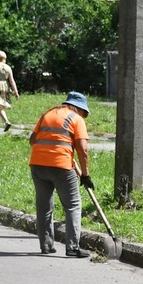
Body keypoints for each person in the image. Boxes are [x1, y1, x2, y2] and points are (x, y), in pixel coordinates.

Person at [29, 92, 93, 258]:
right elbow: (83, 148)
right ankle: (72, 247)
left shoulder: (47, 114)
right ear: (78, 108)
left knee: (44, 206)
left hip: (37, 165)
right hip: (61, 167)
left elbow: (32, 140)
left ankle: (46, 246)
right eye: (84, 113)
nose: (84, 117)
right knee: (73, 205)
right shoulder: (76, 119)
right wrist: (85, 175)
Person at [0, 51, 20, 133]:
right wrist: (16, 92)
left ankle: (6, 122)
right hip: (5, 86)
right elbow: (12, 81)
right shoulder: (8, 67)